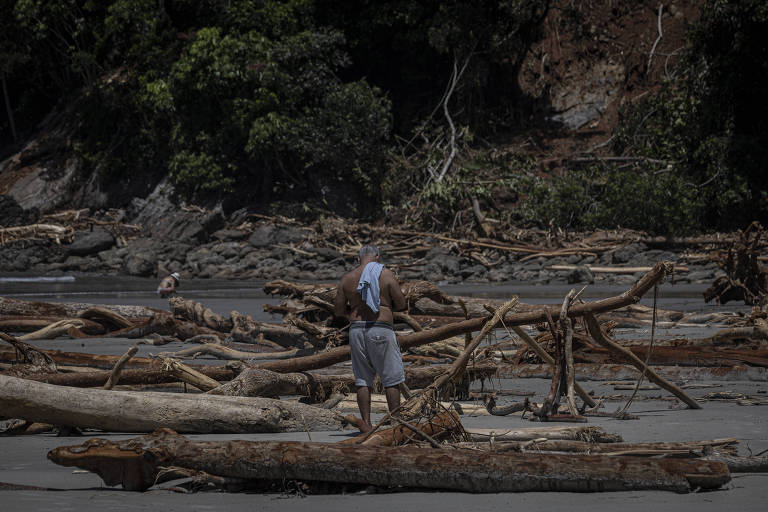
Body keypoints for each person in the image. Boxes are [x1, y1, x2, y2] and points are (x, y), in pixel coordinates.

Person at [334, 244, 407, 432]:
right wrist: (385, 305)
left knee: (362, 380)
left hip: (356, 330)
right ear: (377, 258)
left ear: (358, 259)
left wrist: (354, 310)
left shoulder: (347, 279)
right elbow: (401, 303)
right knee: (391, 378)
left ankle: (366, 424)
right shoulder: (386, 275)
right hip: (381, 328)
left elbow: (339, 310)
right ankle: (396, 424)